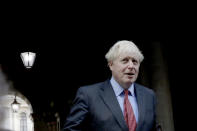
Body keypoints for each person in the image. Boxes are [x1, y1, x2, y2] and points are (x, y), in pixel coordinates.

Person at [63, 40, 157, 131]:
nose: (131, 66)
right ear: (111, 64)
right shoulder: (88, 95)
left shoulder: (149, 95)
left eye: (135, 61)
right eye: (125, 60)